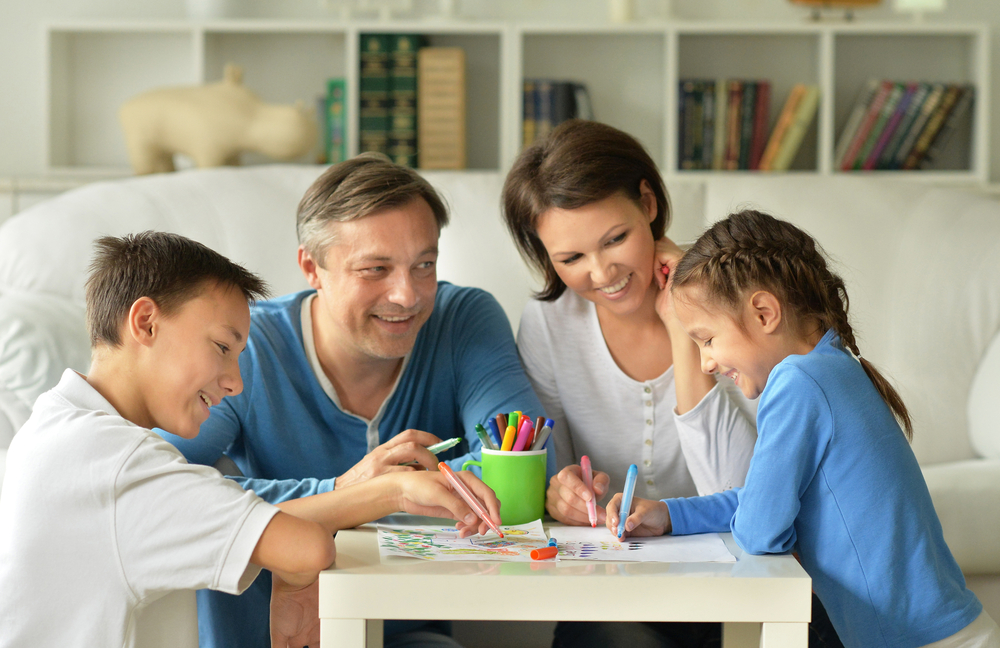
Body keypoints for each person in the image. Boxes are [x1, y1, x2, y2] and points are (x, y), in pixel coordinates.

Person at [0, 232, 502, 648]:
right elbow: (302, 547)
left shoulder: (57, 427)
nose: (235, 382)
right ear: (145, 322)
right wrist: (390, 492)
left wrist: (293, 563)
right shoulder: (116, 462)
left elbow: (279, 541)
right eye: (221, 347)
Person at [159, 154, 553, 648]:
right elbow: (163, 493)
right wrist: (351, 492)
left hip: (410, 634)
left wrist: (390, 490)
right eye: (376, 269)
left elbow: (526, 462)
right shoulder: (249, 346)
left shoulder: (463, 319)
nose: (407, 296)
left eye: (424, 265)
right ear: (311, 267)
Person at [607, 210, 1000, 648]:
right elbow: (763, 501)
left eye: (707, 339)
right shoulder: (832, 368)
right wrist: (669, 515)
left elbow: (760, 530)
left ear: (763, 312)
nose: (705, 363)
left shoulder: (798, 382)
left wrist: (766, 521)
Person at [503, 120, 758, 648]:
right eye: (570, 258)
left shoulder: (739, 301)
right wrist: (563, 493)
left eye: (614, 239)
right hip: (609, 590)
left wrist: (682, 326)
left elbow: (737, 495)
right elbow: (561, 479)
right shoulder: (550, 325)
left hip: (732, 581)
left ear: (647, 203)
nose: (601, 274)